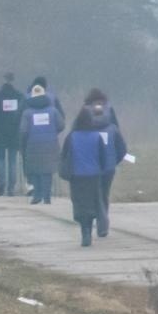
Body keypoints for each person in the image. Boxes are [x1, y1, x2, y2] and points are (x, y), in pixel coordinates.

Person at [59, 108, 112, 247]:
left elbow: (64, 156)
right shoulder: (97, 137)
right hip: (93, 176)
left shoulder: (71, 137)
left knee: (80, 204)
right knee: (93, 204)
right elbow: (103, 158)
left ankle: (85, 231)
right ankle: (90, 226)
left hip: (76, 176)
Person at [82, 88, 126, 236]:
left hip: (90, 165)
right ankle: (103, 222)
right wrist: (114, 160)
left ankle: (97, 222)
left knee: (94, 194)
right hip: (109, 166)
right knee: (104, 194)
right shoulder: (111, 117)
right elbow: (121, 146)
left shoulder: (84, 116)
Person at [19, 82, 64, 205]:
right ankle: (47, 196)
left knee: (35, 170)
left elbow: (23, 130)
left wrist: (22, 144)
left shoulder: (27, 113)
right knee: (47, 171)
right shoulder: (53, 111)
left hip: (32, 144)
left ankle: (37, 195)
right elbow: (61, 125)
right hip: (50, 144)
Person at [0, 73, 23, 197]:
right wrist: (17, 126)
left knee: (0, 159)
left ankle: (2, 184)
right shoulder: (19, 96)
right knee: (12, 160)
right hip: (14, 132)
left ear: (3, 80)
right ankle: (11, 188)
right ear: (14, 80)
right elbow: (22, 113)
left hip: (1, 132)